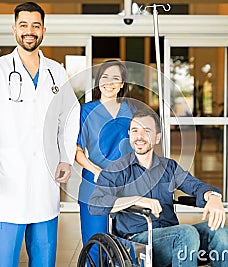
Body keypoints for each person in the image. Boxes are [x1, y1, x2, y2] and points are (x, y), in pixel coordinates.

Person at [0, 2, 80, 266]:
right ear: (14, 29)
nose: (30, 31)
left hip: (45, 178)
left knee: (44, 256)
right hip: (6, 180)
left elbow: (70, 116)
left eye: (36, 25)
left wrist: (65, 158)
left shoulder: (56, 72)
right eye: (24, 25)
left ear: (43, 30)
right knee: (4, 258)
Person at [89, 109, 228, 266]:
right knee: (186, 233)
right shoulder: (116, 170)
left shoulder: (169, 167)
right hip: (137, 242)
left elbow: (195, 185)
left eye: (147, 131)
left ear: (157, 137)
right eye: (135, 130)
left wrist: (213, 197)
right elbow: (95, 203)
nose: (139, 136)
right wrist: (137, 200)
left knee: (218, 230)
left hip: (174, 236)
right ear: (129, 134)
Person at [75, 60, 135, 264]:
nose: (109, 82)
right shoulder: (85, 111)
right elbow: (76, 149)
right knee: (96, 246)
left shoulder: (131, 110)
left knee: (127, 246)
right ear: (98, 81)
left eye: (115, 78)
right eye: (105, 77)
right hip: (95, 185)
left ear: (122, 83)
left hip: (127, 184)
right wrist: (96, 170)